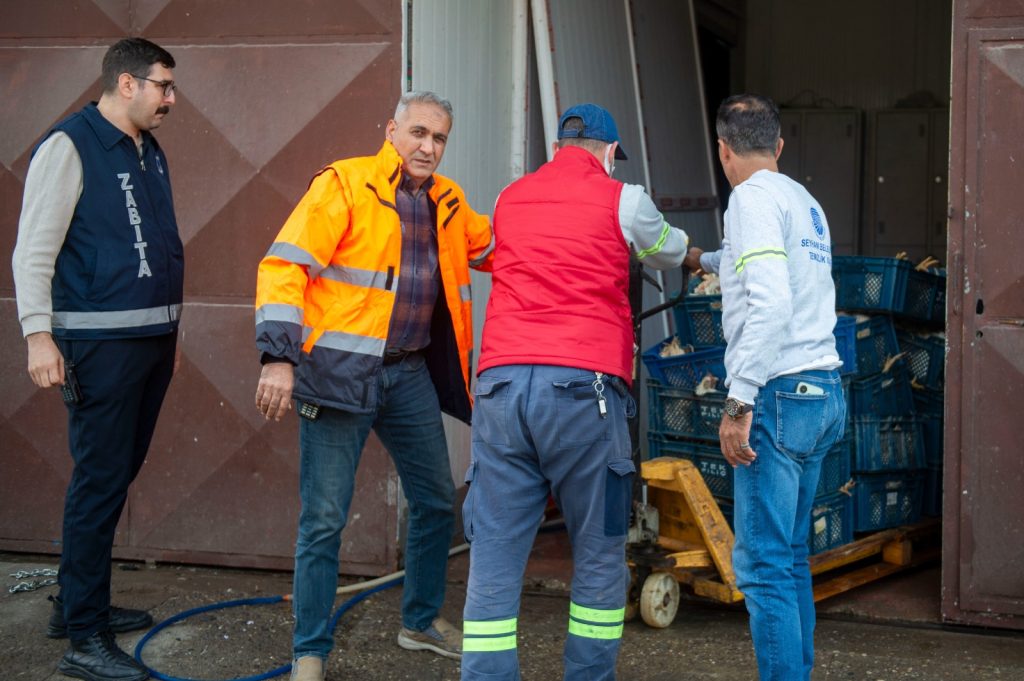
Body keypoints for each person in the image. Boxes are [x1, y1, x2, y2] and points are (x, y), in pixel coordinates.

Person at [254, 91, 494, 681]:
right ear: (390, 130)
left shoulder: (447, 200)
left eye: (438, 138)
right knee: (324, 521)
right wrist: (277, 359)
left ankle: (419, 623)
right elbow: (284, 267)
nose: (427, 147)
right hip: (338, 376)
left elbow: (496, 247)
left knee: (438, 500)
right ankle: (308, 652)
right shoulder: (346, 185)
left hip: (407, 372)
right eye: (417, 133)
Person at [460, 104, 688, 681]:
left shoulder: (511, 196)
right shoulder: (624, 199)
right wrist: (701, 255)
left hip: (502, 386)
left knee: (494, 551)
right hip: (583, 390)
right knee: (599, 547)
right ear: (610, 152)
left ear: (559, 146)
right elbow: (668, 247)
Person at [11, 38, 183, 681]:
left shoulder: (147, 148)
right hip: (99, 346)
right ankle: (85, 637)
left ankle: (76, 603)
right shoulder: (69, 145)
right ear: (127, 84)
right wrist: (38, 336)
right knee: (98, 481)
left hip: (149, 341)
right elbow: (32, 252)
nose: (170, 99)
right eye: (163, 86)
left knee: (114, 476)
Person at [684, 94, 846, 681]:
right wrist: (702, 260)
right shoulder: (801, 200)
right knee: (789, 557)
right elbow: (765, 265)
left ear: (723, 151)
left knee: (760, 567)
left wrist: (738, 400)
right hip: (824, 392)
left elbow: (771, 301)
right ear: (778, 147)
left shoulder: (748, 199)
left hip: (778, 395)